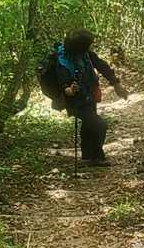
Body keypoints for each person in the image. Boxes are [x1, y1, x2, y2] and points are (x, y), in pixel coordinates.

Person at [55, 28, 128, 168]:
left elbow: (101, 66)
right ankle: (98, 156)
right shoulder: (63, 62)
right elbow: (64, 85)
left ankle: (87, 156)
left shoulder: (85, 54)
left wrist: (116, 84)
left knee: (89, 123)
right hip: (75, 101)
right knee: (99, 125)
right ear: (79, 47)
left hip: (89, 95)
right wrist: (70, 90)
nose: (90, 48)